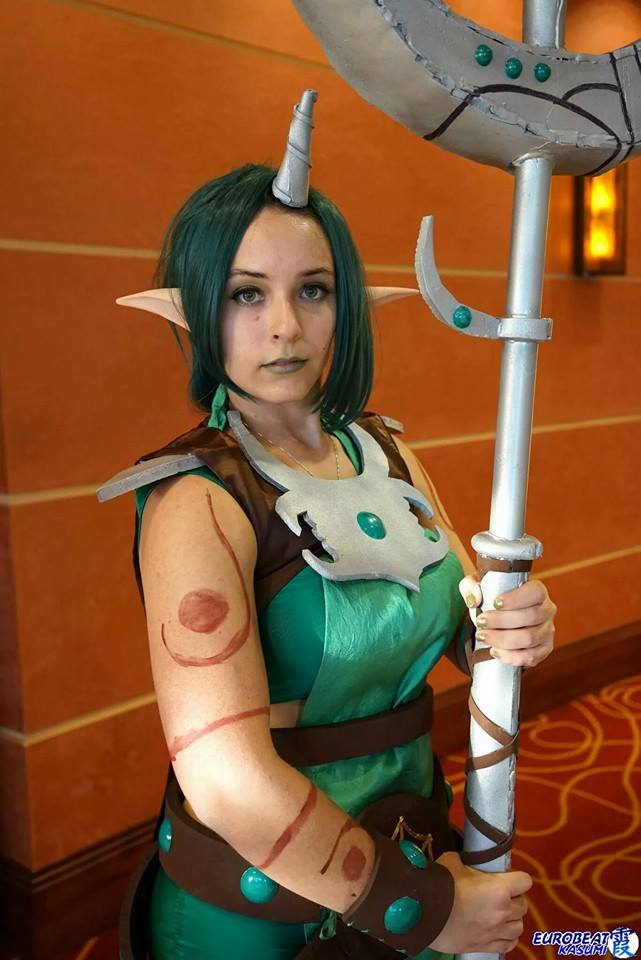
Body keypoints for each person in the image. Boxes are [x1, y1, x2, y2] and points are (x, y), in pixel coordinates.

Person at [99, 91, 557, 960]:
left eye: (311, 289)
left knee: (600, 949)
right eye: (244, 294)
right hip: (265, 908)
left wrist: (508, 628)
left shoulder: (384, 452)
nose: (283, 327)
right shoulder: (196, 498)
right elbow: (227, 781)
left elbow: (462, 627)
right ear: (194, 308)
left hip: (411, 839)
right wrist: (419, 909)